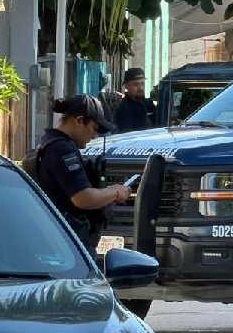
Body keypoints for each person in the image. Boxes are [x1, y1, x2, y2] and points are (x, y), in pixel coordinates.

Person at [28, 95, 131, 252]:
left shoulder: (48, 143)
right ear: (79, 120)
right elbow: (83, 198)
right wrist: (115, 191)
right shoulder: (62, 148)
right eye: (94, 128)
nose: (95, 135)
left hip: (54, 240)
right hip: (65, 245)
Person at [113, 68, 155, 133]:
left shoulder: (148, 104)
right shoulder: (124, 109)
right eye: (136, 84)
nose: (140, 88)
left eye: (142, 83)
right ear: (126, 86)